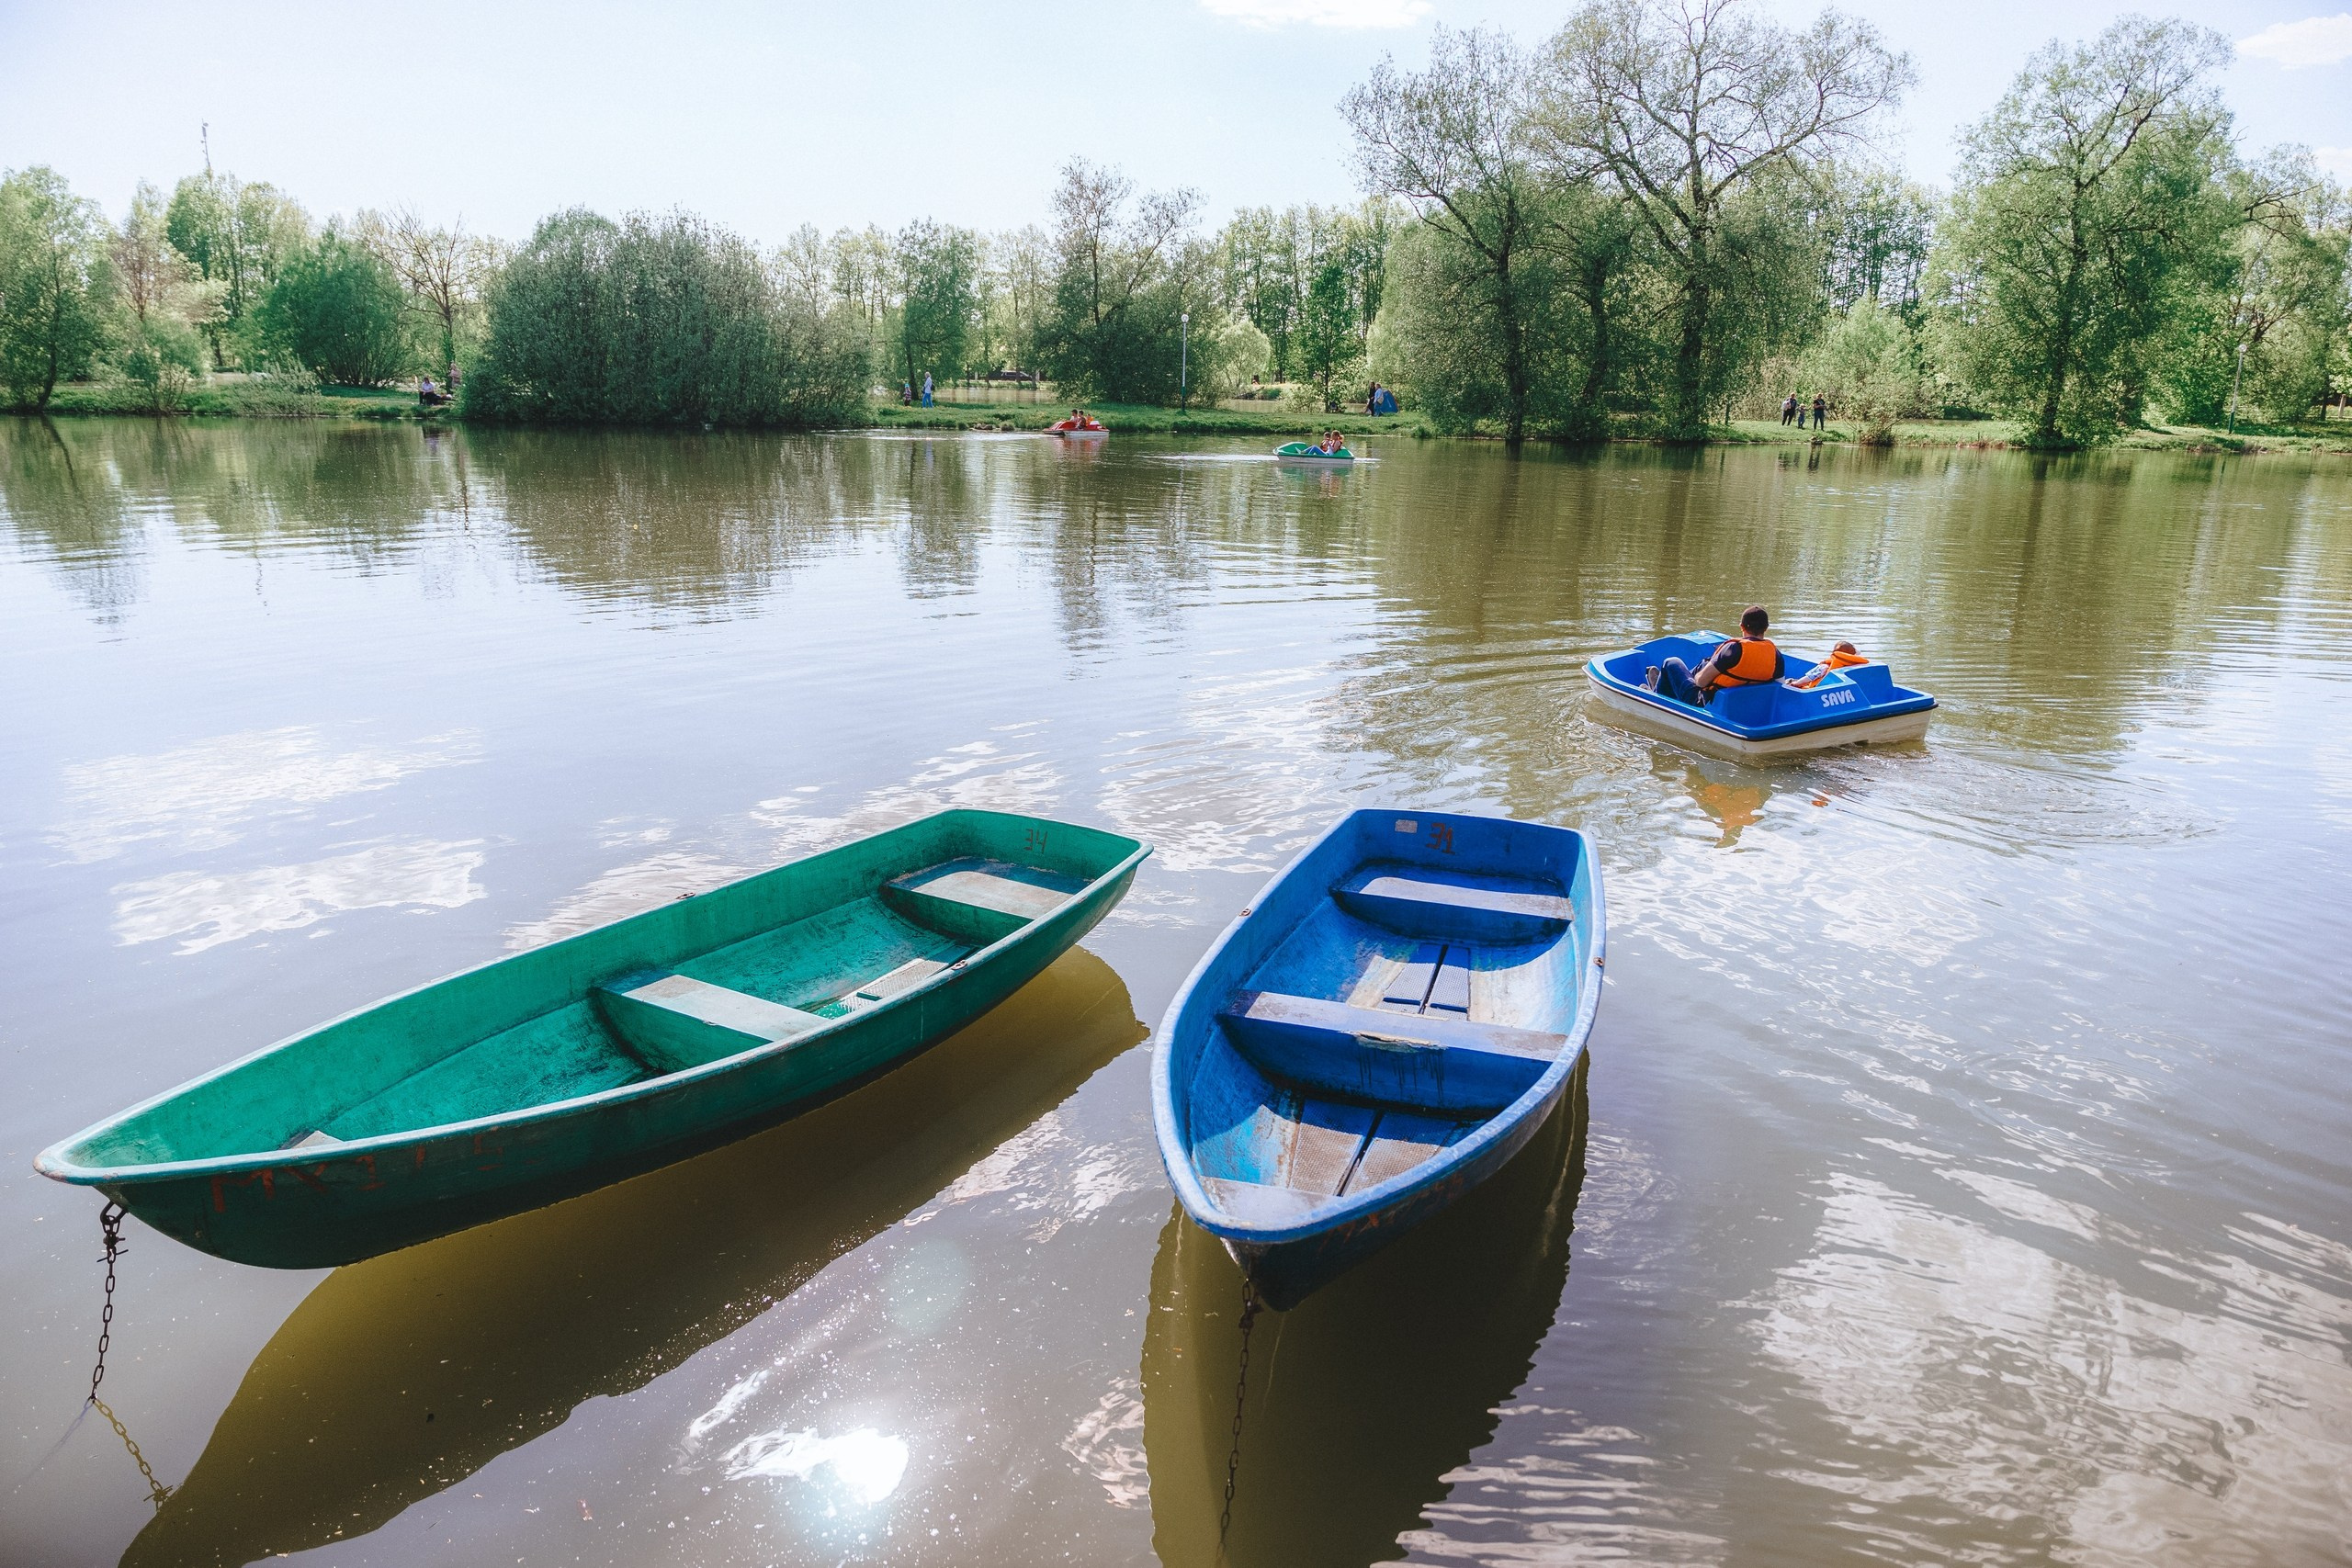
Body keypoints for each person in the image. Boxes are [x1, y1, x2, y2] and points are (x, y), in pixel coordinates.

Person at [1644, 606, 1783, 706]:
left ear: (1742, 627)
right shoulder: (1776, 655)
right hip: (1746, 706)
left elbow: (1701, 682)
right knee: (1702, 665)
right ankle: (1665, 682)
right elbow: (1778, 688)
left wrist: (1700, 675)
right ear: (1766, 628)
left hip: (1706, 703)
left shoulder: (1734, 649)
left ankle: (1654, 694)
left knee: (1671, 662)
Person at [1790, 640, 1868, 689]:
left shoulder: (1825, 667)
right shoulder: (1854, 666)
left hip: (1818, 690)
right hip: (1839, 690)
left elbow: (1809, 678)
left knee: (1790, 681)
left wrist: (1796, 684)